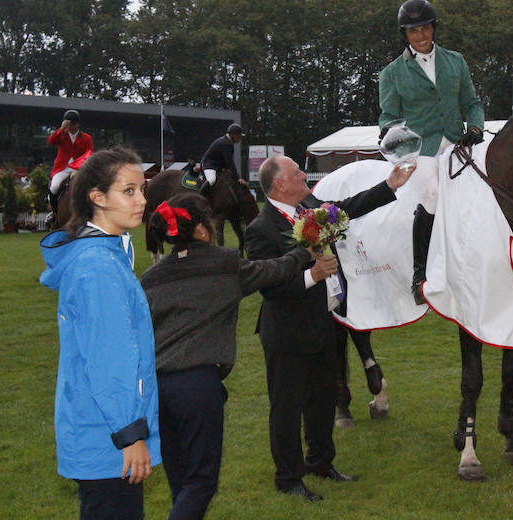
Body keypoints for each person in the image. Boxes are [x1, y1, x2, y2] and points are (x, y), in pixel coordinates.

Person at [244, 155, 414, 501]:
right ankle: (288, 478)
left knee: (323, 400)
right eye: (296, 172)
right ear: (279, 185)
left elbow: (347, 207)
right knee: (287, 408)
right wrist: (312, 275)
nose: (303, 174)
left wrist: (389, 186)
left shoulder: (309, 205)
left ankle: (321, 462)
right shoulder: (260, 229)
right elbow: (268, 287)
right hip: (288, 333)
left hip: (325, 323)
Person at [140, 193, 319, 519]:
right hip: (196, 385)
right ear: (202, 231)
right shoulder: (222, 263)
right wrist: (304, 254)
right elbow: (272, 270)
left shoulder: (150, 278)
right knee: (201, 482)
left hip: (156, 388)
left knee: (181, 482)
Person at [39, 146, 159, 520]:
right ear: (97, 197)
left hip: (99, 431)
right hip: (107, 435)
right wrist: (130, 433)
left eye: (142, 189)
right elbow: (109, 360)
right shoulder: (98, 267)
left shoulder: (107, 254)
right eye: (129, 191)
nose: (141, 200)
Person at [378, 0, 485, 304]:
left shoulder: (456, 61)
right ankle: (420, 274)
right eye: (413, 32)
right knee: (435, 193)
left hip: (456, 143)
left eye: (425, 28)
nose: (421, 36)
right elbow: (387, 116)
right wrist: (393, 134)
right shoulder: (392, 73)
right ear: (405, 35)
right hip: (419, 150)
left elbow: (472, 103)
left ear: (434, 28)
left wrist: (474, 128)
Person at [46, 109, 94, 223]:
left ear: (77, 124)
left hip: (79, 168)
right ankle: (54, 213)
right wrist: (60, 130)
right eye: (68, 124)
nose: (70, 127)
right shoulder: (62, 134)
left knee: (90, 187)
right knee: (54, 186)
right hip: (62, 168)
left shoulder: (87, 138)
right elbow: (51, 141)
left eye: (72, 124)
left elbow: (89, 152)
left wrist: (80, 167)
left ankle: (91, 214)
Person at [198, 124, 248, 192]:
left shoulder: (228, 143)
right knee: (211, 180)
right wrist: (238, 178)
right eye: (239, 136)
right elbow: (229, 163)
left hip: (217, 167)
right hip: (209, 165)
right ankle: (200, 195)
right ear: (233, 135)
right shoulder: (225, 143)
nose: (240, 138)